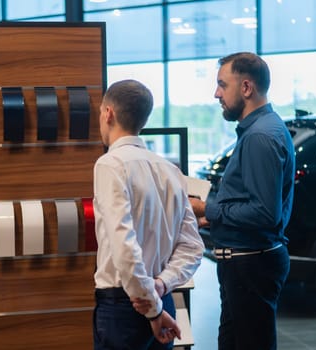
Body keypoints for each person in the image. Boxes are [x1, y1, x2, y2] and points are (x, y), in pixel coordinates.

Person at [189, 52, 295, 350]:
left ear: (246, 88)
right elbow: (252, 200)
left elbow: (263, 213)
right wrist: (215, 216)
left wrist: (206, 209)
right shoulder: (258, 131)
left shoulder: (260, 137)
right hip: (245, 265)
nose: (216, 94)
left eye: (222, 85)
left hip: (252, 265)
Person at [92, 79, 204, 350]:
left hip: (126, 306)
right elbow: (193, 247)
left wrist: (152, 309)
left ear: (108, 113)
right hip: (161, 297)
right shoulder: (171, 171)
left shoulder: (110, 164)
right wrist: (161, 286)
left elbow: (124, 246)